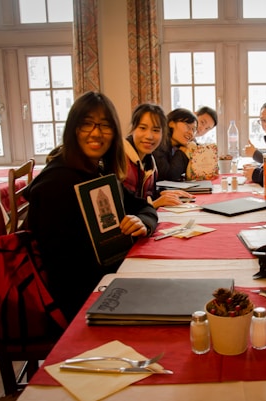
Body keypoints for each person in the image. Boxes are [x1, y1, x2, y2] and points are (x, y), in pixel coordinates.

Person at [25, 91, 158, 321]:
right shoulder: (55, 184)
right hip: (77, 303)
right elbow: (62, 269)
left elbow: (141, 207)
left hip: (111, 280)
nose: (96, 133)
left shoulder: (98, 172)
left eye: (105, 125)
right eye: (87, 124)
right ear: (73, 129)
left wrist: (142, 223)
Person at [123, 103, 194, 208]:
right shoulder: (120, 159)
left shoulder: (149, 160)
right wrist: (155, 204)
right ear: (133, 129)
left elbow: (143, 196)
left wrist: (160, 194)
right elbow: (122, 208)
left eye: (156, 130)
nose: (149, 136)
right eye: (143, 128)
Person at [153, 108, 197, 181]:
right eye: (188, 127)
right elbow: (169, 176)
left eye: (193, 130)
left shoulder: (177, 146)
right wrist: (181, 153)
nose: (191, 133)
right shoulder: (158, 144)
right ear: (171, 123)